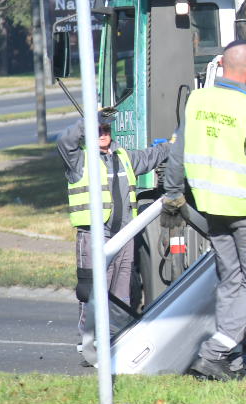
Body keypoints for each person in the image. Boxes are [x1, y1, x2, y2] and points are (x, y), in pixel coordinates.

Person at [162, 40, 246, 381]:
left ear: (222, 63)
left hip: (213, 211)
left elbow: (176, 154)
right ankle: (214, 353)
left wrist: (173, 194)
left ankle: (231, 364)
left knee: (231, 284)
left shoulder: (196, 101)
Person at [56, 115, 171, 362]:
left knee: (121, 291)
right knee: (94, 289)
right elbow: (64, 141)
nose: (102, 134)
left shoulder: (124, 157)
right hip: (95, 235)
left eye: (105, 129)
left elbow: (153, 156)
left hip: (124, 234)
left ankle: (117, 339)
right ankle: (89, 343)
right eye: (97, 130)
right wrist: (88, 119)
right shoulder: (79, 159)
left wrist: (175, 144)